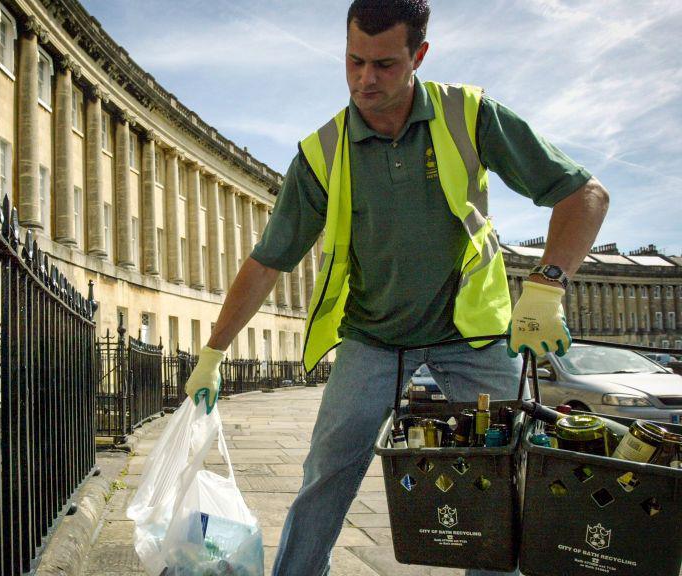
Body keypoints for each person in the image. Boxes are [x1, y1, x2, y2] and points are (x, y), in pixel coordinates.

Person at [182, 0, 610, 574]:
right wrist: (214, 351)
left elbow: (584, 195)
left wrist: (547, 286)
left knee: (503, 476)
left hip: (473, 333)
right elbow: (267, 261)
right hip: (372, 338)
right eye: (355, 61)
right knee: (325, 475)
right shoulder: (321, 152)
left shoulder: (470, 115)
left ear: (419, 56)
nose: (366, 79)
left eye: (384, 65)